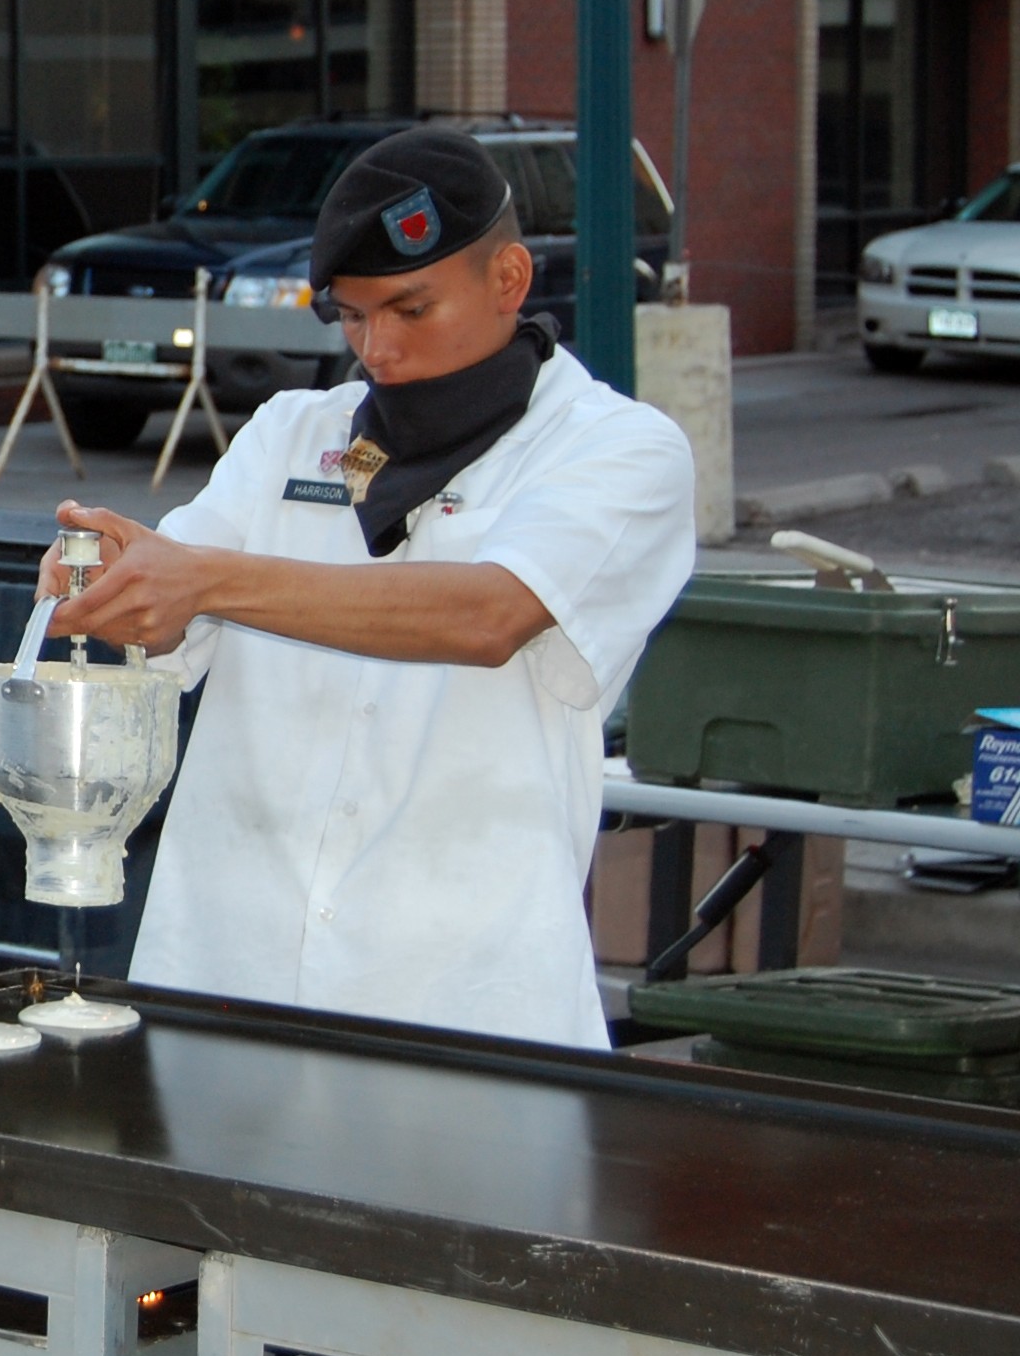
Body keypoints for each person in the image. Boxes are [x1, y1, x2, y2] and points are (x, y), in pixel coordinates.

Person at [42, 124, 695, 1049]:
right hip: (231, 982)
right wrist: (113, 576)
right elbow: (166, 616)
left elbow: (490, 614)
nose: (376, 347)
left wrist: (209, 579)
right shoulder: (289, 432)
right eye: (350, 316)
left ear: (508, 280)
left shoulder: (617, 449)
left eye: (410, 309)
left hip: (460, 1001)